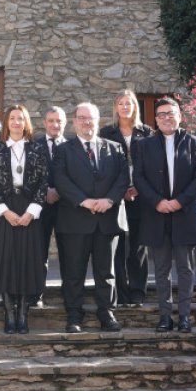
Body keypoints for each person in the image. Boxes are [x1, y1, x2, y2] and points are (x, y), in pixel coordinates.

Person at [51, 102, 128, 333]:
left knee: (106, 273)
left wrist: (110, 200)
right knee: (73, 273)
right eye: (82, 118)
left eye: (91, 118)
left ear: (98, 120)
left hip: (107, 220)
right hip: (75, 220)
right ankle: (74, 315)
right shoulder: (63, 150)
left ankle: (107, 314)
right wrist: (84, 201)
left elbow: (123, 177)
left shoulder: (115, 148)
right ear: (74, 122)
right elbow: (60, 179)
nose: (87, 122)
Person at [133, 97, 196, 333]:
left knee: (185, 269)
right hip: (156, 214)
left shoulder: (193, 143)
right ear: (155, 120)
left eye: (171, 113)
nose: (166, 118)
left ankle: (184, 316)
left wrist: (178, 202)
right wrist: (158, 202)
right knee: (161, 270)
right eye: (162, 114)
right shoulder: (144, 145)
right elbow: (139, 178)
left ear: (180, 116)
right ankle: (165, 317)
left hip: (184, 214)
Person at [0, 105, 47, 334]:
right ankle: (9, 314)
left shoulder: (37, 148)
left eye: (21, 118)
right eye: (12, 118)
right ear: (6, 122)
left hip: (29, 208)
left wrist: (31, 212)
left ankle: (23, 314)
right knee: (6, 260)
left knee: (25, 261)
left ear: (26, 122)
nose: (17, 122)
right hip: (4, 209)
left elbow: (43, 182)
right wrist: (4, 210)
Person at [99, 89, 154, 307]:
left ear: (134, 107)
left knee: (139, 246)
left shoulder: (147, 132)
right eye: (121, 103)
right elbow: (103, 167)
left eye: (128, 103)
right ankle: (121, 292)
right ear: (116, 107)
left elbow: (152, 165)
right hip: (115, 197)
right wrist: (119, 190)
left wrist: (138, 188)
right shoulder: (106, 132)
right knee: (118, 246)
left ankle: (138, 291)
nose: (124, 107)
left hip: (141, 197)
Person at [32, 106, 67, 308]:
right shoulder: (34, 145)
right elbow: (30, 175)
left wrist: (59, 192)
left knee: (68, 253)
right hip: (40, 207)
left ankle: (67, 293)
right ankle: (36, 293)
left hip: (65, 208)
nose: (55, 125)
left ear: (65, 122)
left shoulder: (71, 146)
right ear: (44, 123)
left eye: (59, 121)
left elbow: (74, 176)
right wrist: (45, 191)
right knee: (39, 252)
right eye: (51, 121)